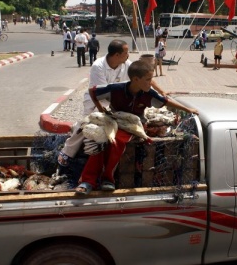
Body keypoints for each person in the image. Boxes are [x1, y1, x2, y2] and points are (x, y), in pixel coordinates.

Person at [75, 60, 199, 195]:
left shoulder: (149, 94)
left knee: (116, 141)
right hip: (114, 120)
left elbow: (166, 101)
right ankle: (87, 181)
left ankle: (107, 179)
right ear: (135, 79)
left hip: (133, 124)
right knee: (99, 140)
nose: (151, 83)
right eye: (148, 79)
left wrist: (188, 109)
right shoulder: (116, 89)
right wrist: (101, 109)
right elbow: (92, 91)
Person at [57, 40, 166, 166]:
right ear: (117, 55)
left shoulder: (126, 64)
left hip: (116, 100)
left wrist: (162, 92)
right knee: (87, 123)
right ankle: (67, 151)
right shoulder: (98, 66)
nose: (128, 54)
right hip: (98, 101)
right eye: (126, 52)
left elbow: (143, 77)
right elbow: (102, 93)